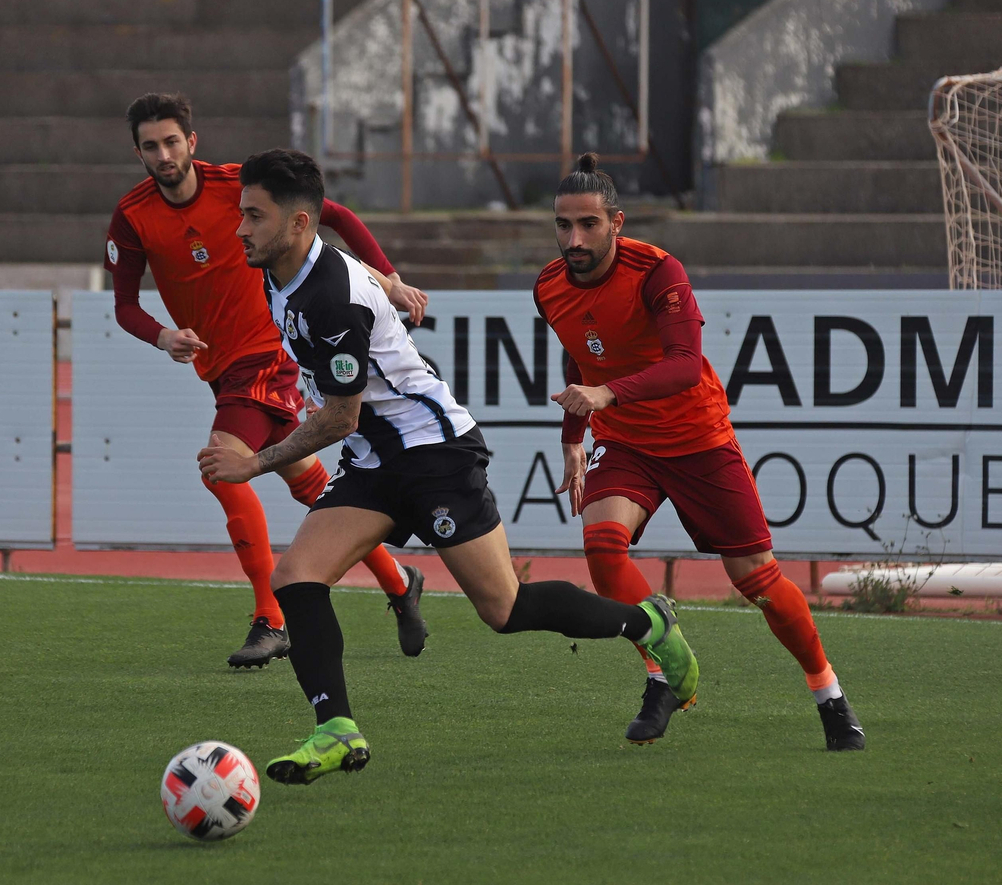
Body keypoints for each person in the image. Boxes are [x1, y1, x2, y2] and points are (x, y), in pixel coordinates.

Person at [198, 149, 699, 785]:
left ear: (299, 224)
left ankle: (648, 621)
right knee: (296, 580)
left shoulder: (328, 298)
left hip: (434, 454)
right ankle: (335, 730)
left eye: (253, 216)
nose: (239, 227)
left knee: (505, 610)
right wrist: (394, 285)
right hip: (378, 462)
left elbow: (339, 419)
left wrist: (254, 464)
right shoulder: (287, 264)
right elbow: (359, 278)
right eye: (241, 213)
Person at [537, 153, 865, 750]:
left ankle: (830, 695)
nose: (573, 238)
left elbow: (685, 367)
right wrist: (572, 438)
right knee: (603, 551)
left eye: (587, 224)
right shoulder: (549, 286)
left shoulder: (658, 270)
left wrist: (605, 393)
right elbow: (580, 349)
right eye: (563, 225)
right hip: (625, 440)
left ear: (617, 221)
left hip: (697, 438)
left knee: (758, 580)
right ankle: (663, 669)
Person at [105, 93, 428, 668]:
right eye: (151, 146)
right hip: (220, 369)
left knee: (220, 467)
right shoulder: (132, 216)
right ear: (138, 152)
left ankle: (269, 618)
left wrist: (392, 280)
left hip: (272, 349)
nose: (163, 154)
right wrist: (164, 336)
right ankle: (400, 582)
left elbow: (338, 216)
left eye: (171, 141)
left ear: (191, 142)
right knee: (307, 482)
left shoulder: (239, 186)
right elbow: (125, 306)